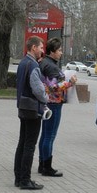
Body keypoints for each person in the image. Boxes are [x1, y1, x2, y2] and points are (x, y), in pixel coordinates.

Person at [38, 37, 77, 177]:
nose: (61, 53)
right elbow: (54, 87)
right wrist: (70, 83)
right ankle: (46, 167)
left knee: (45, 135)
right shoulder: (52, 66)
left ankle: (42, 164)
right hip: (54, 104)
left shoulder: (43, 62)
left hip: (46, 102)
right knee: (50, 135)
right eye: (59, 50)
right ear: (52, 51)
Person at [14, 36, 48, 190]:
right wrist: (46, 98)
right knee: (29, 145)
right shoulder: (33, 65)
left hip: (22, 106)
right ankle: (25, 180)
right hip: (33, 108)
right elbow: (38, 90)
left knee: (22, 143)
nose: (42, 50)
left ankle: (18, 177)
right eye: (41, 47)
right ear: (34, 47)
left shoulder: (22, 63)